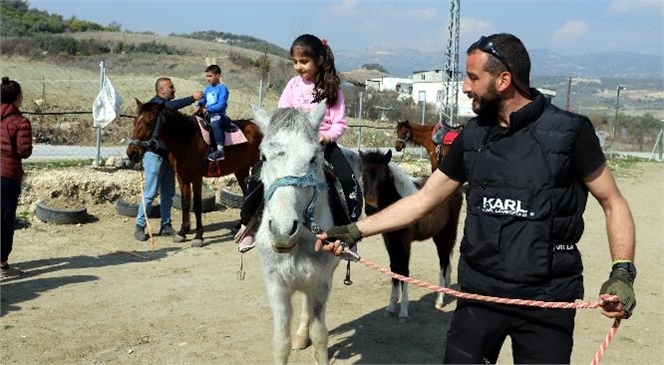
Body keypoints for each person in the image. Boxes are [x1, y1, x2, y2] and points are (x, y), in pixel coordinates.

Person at [316, 33, 637, 364]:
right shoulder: (472, 136)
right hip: (478, 295)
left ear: (503, 80)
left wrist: (622, 272)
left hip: (547, 300)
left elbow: (614, 203)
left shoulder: (570, 133)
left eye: (472, 77)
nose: (466, 87)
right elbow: (423, 200)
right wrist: (355, 230)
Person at [234, 34, 363, 253]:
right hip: (293, 146)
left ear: (319, 60)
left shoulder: (332, 88)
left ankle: (345, 236)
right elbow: (282, 115)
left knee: (347, 182)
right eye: (295, 62)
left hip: (323, 146)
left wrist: (327, 136)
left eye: (304, 61)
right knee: (258, 175)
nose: (298, 67)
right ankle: (250, 225)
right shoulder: (293, 86)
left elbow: (340, 123)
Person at [134, 78, 203, 241]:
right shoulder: (156, 105)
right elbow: (170, 107)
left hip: (169, 155)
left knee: (168, 193)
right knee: (150, 192)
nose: (174, 89)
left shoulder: (165, 109)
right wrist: (192, 98)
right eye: (171, 87)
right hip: (154, 154)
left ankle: (166, 224)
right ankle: (139, 225)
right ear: (161, 90)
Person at [1, 76, 33, 279]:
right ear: (18, 97)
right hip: (7, 177)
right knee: (4, 221)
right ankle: (2, 265)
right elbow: (24, 151)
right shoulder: (20, 122)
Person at [194, 64, 230, 161]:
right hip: (207, 114)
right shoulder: (207, 89)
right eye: (207, 76)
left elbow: (222, 105)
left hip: (218, 114)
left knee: (215, 123)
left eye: (210, 76)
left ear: (217, 76)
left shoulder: (222, 88)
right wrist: (199, 105)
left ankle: (220, 149)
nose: (208, 79)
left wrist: (207, 109)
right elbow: (203, 100)